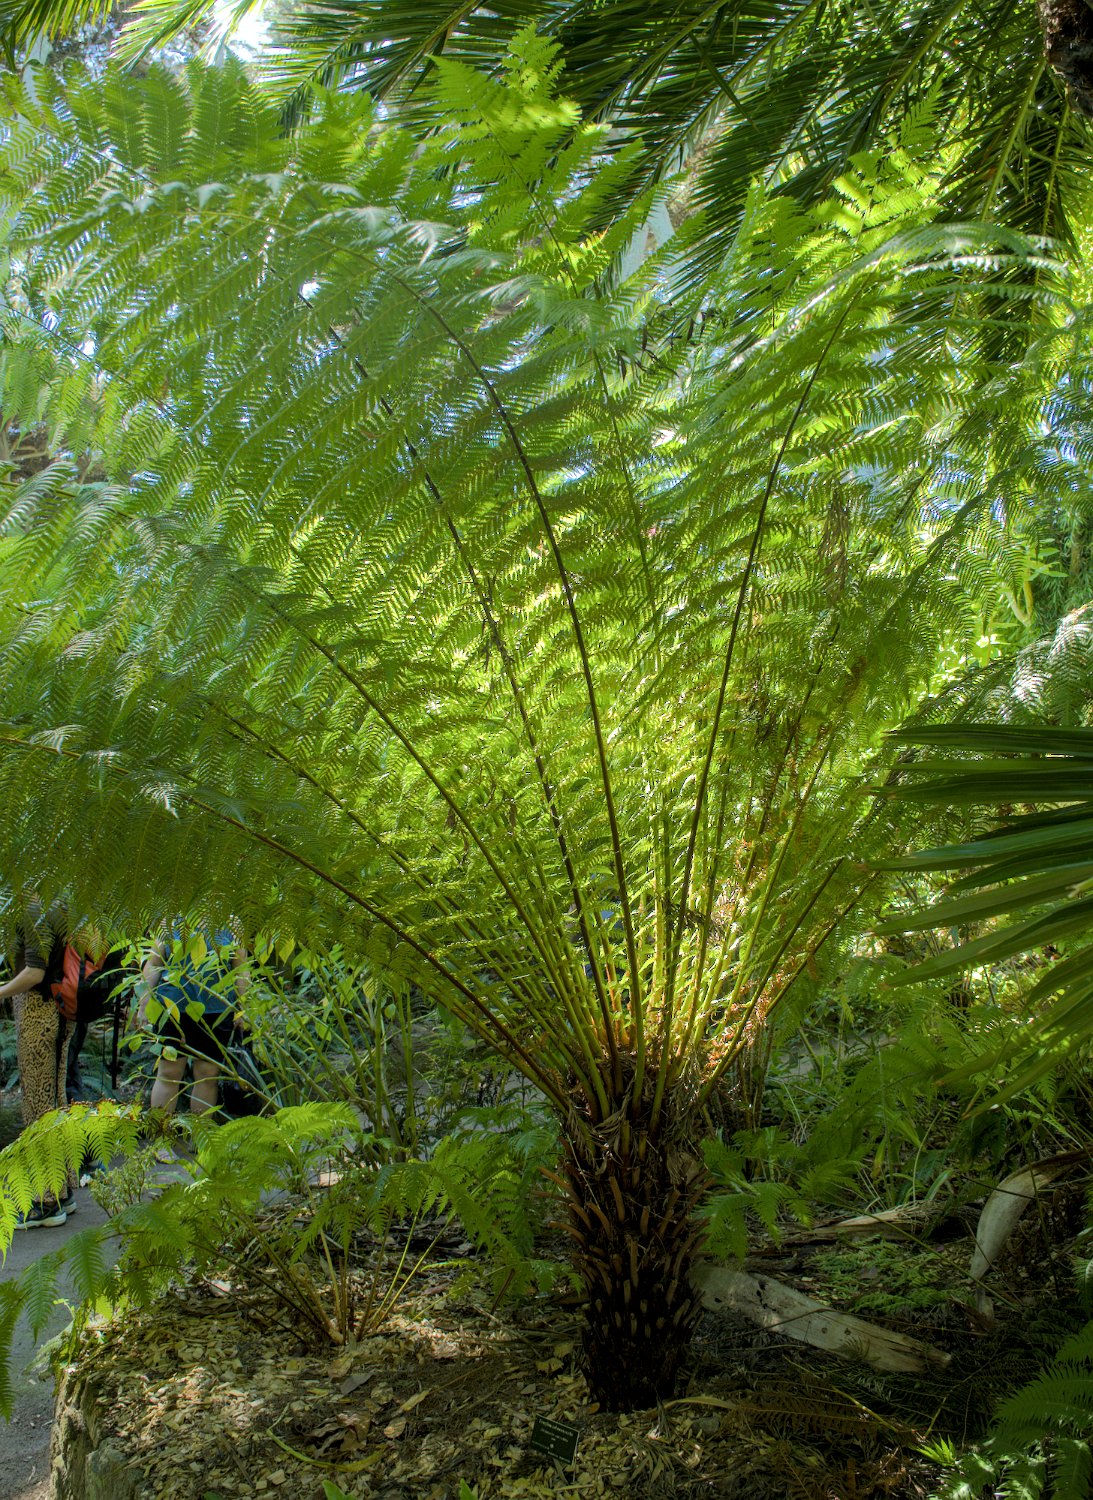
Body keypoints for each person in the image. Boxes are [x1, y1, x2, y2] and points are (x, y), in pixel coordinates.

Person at [0, 899, 77, 1227]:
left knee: (38, 1106)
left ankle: (45, 1202)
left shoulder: (35, 907)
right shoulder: (59, 899)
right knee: (56, 1100)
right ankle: (64, 1190)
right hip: (58, 1010)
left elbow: (34, 972)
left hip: (38, 1010)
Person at [135, 924, 249, 1116]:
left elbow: (240, 969)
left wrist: (244, 1008)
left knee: (207, 1074)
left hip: (217, 1009)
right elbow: (153, 964)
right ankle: (162, 1138)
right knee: (169, 1072)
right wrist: (143, 1005)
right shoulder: (169, 921)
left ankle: (200, 1139)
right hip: (172, 1008)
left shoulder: (232, 924)